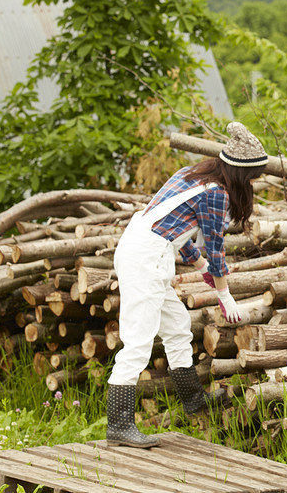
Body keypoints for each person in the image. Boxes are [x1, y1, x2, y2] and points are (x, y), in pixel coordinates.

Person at [106, 121, 268, 448]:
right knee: (137, 341)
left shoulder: (190, 174)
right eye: (252, 177)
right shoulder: (217, 196)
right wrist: (225, 297)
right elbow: (216, 250)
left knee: (178, 325)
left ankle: (193, 398)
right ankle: (119, 425)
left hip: (144, 248)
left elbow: (172, 228)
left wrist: (200, 265)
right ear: (240, 173)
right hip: (147, 257)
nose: (253, 183)